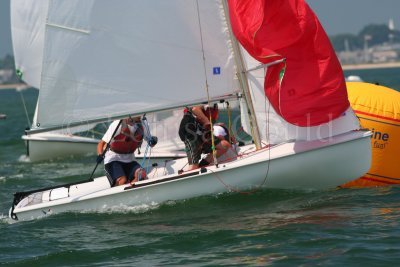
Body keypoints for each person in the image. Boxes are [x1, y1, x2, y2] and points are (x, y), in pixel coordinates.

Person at [97, 116, 158, 186]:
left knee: (142, 174)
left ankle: (132, 190)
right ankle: (125, 188)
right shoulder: (117, 124)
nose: (140, 117)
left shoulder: (143, 123)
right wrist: (100, 155)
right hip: (113, 159)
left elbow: (150, 143)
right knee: (122, 180)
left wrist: (153, 141)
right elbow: (101, 143)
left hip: (130, 159)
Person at [178, 104, 218, 170]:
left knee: (223, 146)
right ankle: (191, 173)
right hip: (189, 133)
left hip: (197, 133)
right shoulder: (197, 104)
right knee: (194, 164)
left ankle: (202, 165)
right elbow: (194, 108)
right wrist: (207, 121)